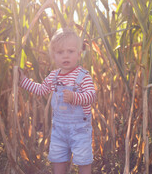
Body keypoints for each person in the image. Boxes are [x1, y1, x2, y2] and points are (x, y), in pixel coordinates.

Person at [18, 27, 96, 174]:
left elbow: (91, 96)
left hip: (80, 129)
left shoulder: (83, 76)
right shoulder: (54, 76)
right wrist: (23, 81)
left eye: (70, 52)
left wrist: (75, 97)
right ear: (54, 56)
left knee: (83, 160)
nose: (65, 56)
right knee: (58, 160)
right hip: (59, 129)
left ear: (79, 54)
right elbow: (41, 89)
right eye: (60, 52)